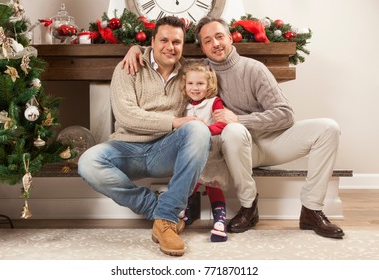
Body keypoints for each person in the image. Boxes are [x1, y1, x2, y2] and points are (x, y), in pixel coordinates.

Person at [121, 16, 345, 239]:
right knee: (234, 131)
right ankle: (249, 206)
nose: (215, 44)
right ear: (202, 47)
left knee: (328, 128)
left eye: (219, 37)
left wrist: (239, 119)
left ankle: (311, 210)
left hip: (271, 142)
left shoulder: (254, 69)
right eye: (207, 41)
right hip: (235, 145)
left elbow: (285, 115)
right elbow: (166, 52)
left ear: (230, 38)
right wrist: (136, 49)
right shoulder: (197, 69)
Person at [78, 16, 211, 257]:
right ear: (151, 41)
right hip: (126, 148)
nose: (170, 47)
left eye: (177, 42)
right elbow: (127, 116)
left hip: (165, 150)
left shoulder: (189, 74)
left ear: (183, 45)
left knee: (199, 130)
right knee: (88, 161)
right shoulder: (128, 67)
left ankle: (166, 217)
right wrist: (172, 121)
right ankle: (162, 212)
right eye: (164, 40)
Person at [179, 62, 229, 242]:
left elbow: (223, 123)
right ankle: (181, 210)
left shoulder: (213, 102)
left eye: (200, 84)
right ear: (185, 85)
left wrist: (205, 130)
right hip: (191, 155)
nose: (195, 88)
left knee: (212, 185)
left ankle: (220, 221)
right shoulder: (183, 105)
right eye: (190, 83)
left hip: (211, 153)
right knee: (189, 182)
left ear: (208, 85)